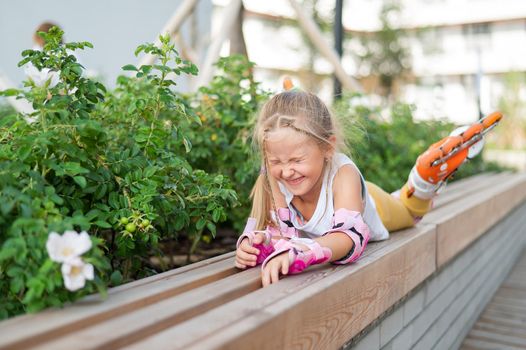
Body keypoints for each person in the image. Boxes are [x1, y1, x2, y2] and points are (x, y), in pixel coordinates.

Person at [235, 89, 502, 287]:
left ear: (328, 148)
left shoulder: (344, 175)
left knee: (409, 212)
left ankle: (423, 180)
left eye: (296, 160)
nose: (286, 170)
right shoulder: (277, 178)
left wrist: (302, 253)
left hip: (368, 204)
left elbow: (349, 238)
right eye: (276, 161)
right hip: (347, 206)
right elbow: (281, 233)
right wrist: (257, 244)